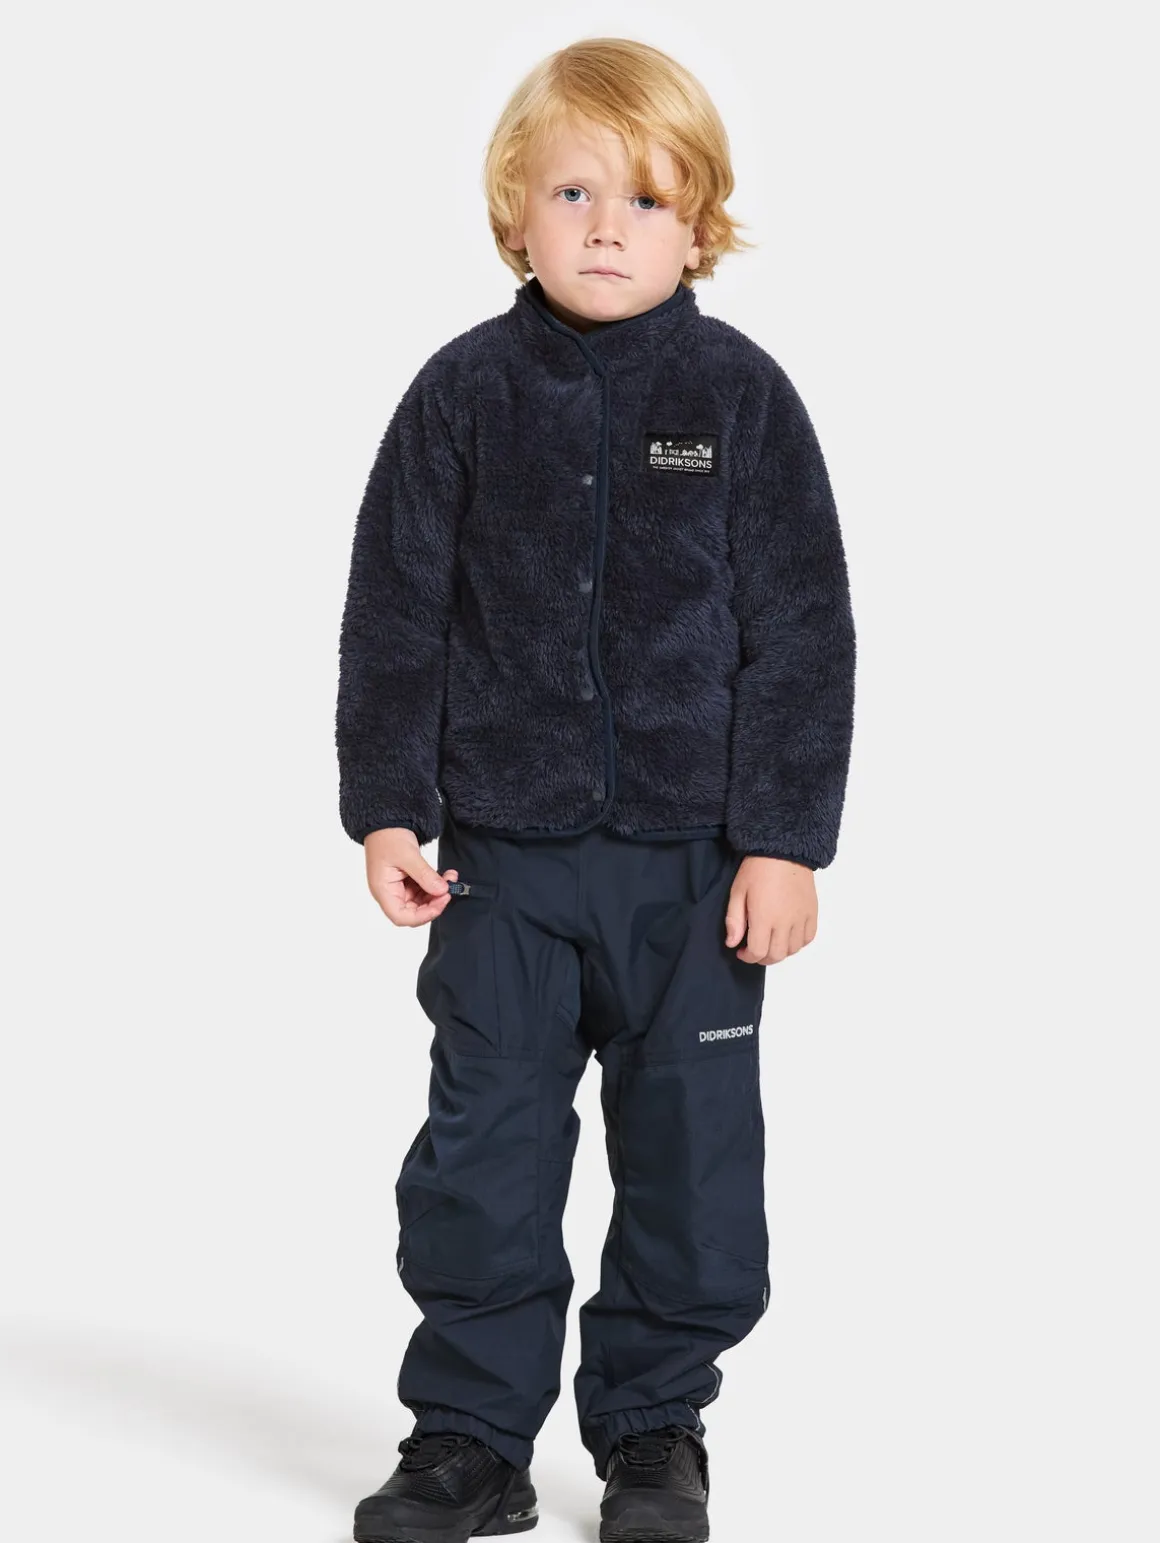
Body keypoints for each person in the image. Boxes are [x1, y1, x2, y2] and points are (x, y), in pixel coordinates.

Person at [335, 35, 855, 1543]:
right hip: (501, 865)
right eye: (573, 193)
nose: (608, 227)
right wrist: (388, 804)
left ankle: (654, 1429)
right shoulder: (462, 396)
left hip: (695, 877)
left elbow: (802, 632)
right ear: (517, 212)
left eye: (646, 198)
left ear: (701, 224)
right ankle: (468, 1436)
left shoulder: (741, 398)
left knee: (693, 1162)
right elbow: (395, 615)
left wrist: (784, 841)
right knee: (482, 1154)